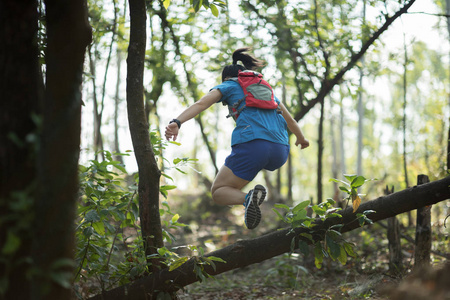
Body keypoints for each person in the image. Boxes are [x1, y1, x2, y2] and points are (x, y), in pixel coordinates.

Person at [165, 47, 309, 229]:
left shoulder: (229, 85)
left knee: (218, 192)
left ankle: (248, 198)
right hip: (280, 150)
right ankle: (250, 202)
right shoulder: (267, 92)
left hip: (253, 146)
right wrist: (301, 139)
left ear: (226, 78)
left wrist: (177, 121)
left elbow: (201, 103)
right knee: (235, 183)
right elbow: (291, 120)